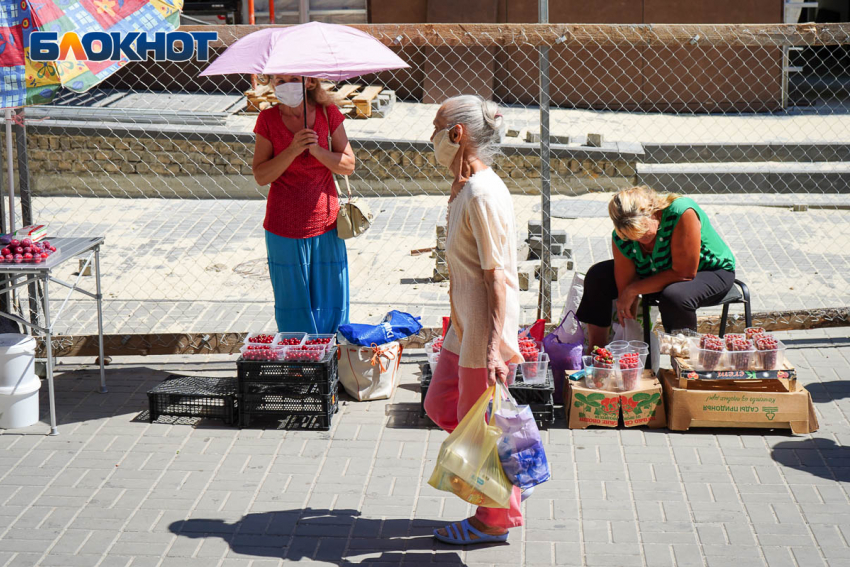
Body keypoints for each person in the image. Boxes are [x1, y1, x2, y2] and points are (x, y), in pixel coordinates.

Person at [422, 95, 524, 545]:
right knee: (442, 407)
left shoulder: (483, 194)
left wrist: (492, 349)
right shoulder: (468, 187)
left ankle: (494, 519)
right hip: (463, 326)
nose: (431, 136)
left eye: (436, 126)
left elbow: (497, 278)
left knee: (482, 427)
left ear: (457, 134)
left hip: (482, 330)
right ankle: (488, 471)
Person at [252, 75, 355, 334]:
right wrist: (292, 149)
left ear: (309, 82)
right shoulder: (267, 119)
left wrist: (318, 150)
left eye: (293, 78)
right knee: (292, 305)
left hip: (327, 224)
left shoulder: (327, 113)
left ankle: (331, 358)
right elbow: (262, 176)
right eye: (280, 79)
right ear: (272, 83)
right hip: (283, 227)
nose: (286, 83)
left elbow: (348, 165)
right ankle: (299, 364)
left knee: (332, 301)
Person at [576, 186, 736, 350]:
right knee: (598, 276)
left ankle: (683, 362)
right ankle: (596, 351)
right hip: (656, 270)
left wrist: (632, 290)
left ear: (654, 213)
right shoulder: (621, 235)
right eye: (634, 237)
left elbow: (685, 273)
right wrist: (629, 330)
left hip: (708, 271)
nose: (641, 241)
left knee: (675, 297)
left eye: (644, 232)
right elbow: (625, 282)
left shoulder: (681, 212)